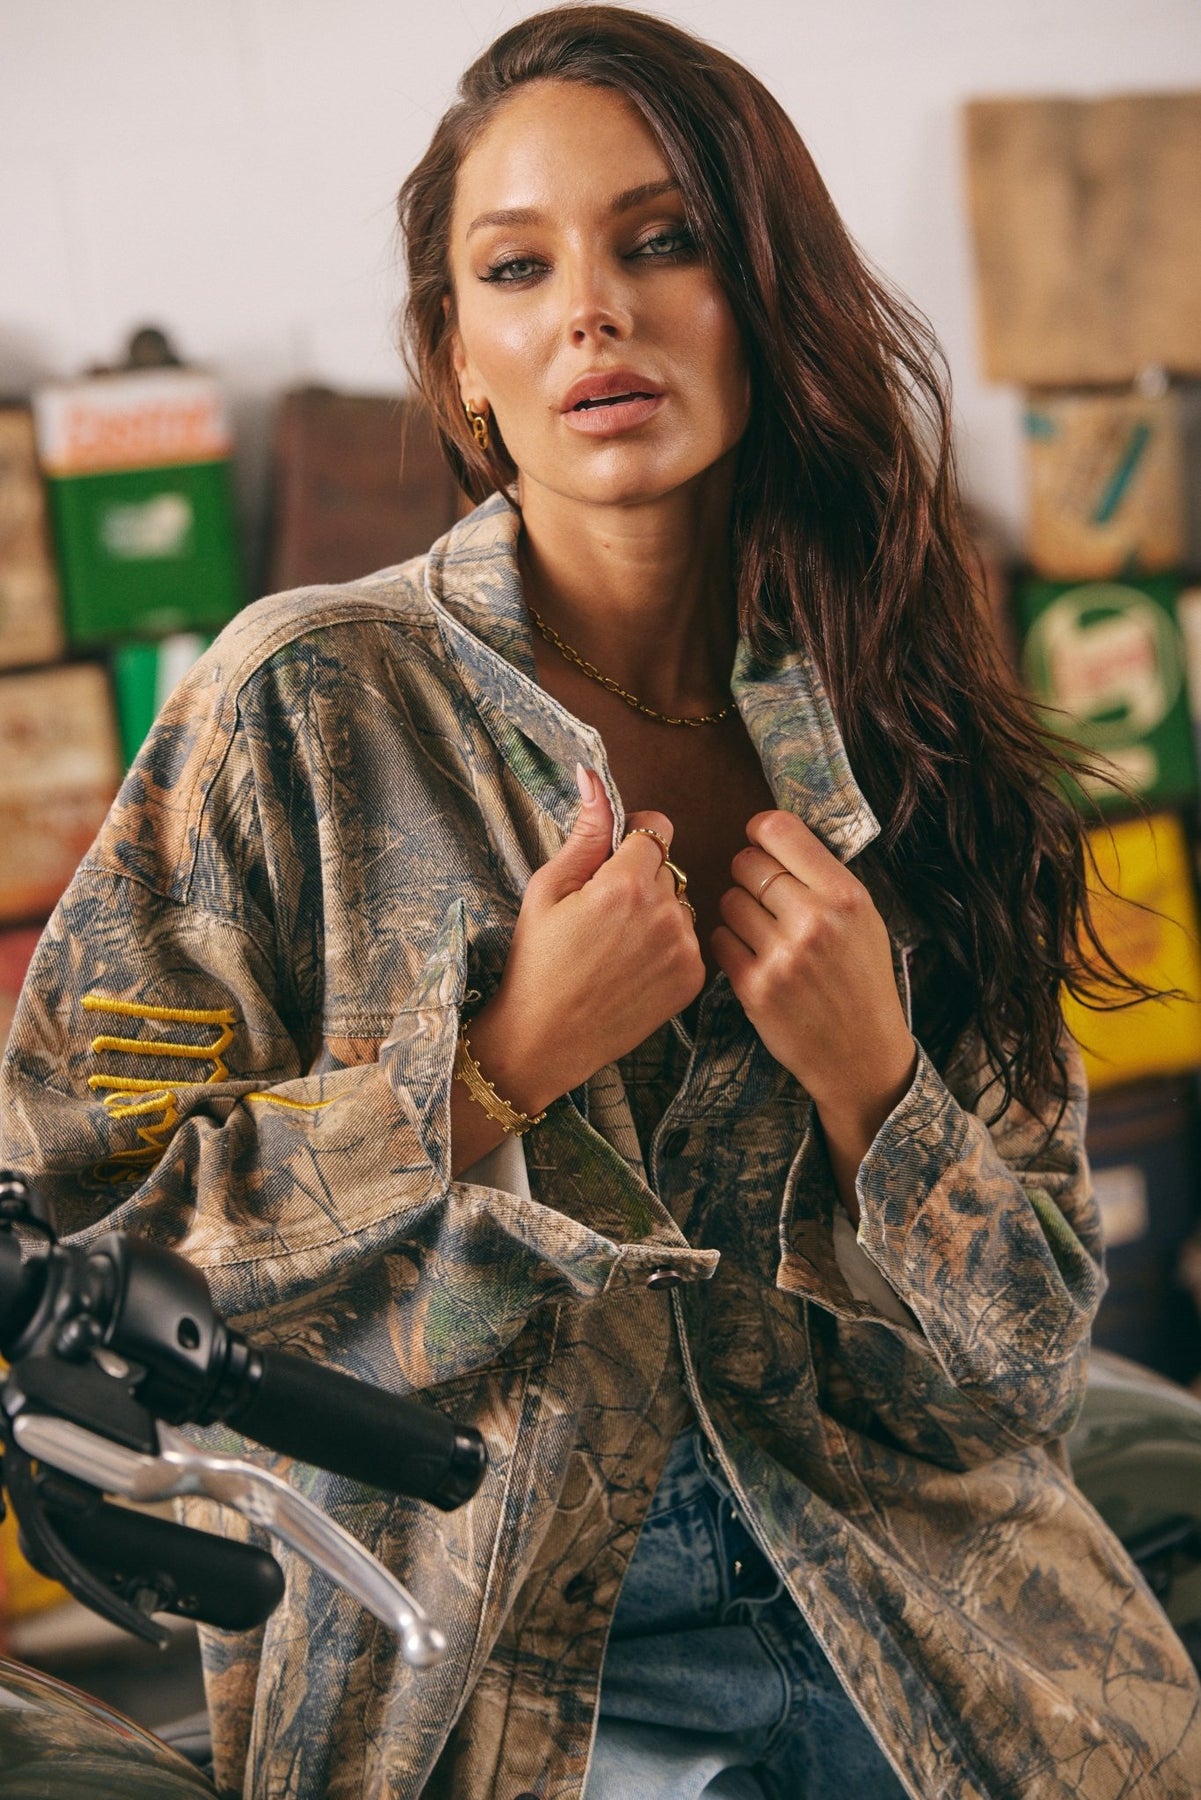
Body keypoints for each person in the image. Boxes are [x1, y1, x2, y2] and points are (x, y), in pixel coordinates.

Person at [3, 7, 1199, 1797]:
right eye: (518, 267)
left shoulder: (906, 715)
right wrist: (485, 1074)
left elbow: (1025, 1376)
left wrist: (874, 1085)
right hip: (497, 1678)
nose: (593, 312)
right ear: (458, 361)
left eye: (663, 242)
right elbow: (66, 1272)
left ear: (765, 300)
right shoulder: (300, 708)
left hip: (922, 1626)